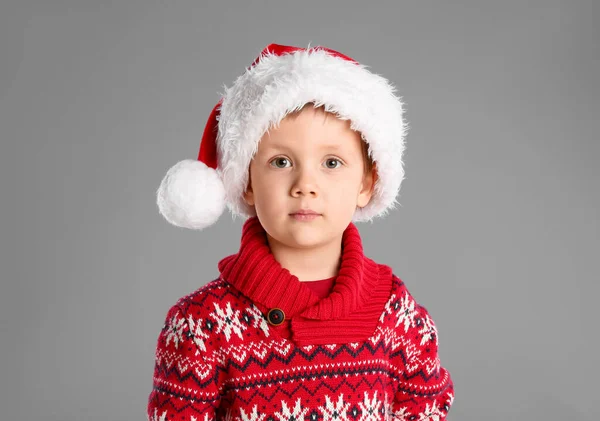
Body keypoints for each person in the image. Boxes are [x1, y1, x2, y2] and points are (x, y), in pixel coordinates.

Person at [148, 43, 454, 421]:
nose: (305, 184)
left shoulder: (397, 315)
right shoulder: (200, 325)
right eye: (281, 161)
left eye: (331, 162)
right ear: (245, 181)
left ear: (366, 183)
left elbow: (426, 409)